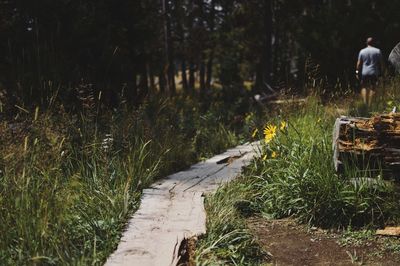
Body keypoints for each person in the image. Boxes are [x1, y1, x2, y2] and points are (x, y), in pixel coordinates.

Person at [356, 37, 383, 106]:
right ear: (373, 43)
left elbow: (359, 63)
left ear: (366, 43)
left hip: (365, 72)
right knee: (373, 87)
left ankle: (365, 103)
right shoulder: (377, 51)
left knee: (364, 87)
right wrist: (381, 72)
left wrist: (357, 71)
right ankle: (370, 104)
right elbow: (380, 63)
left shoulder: (362, 51)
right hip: (374, 72)